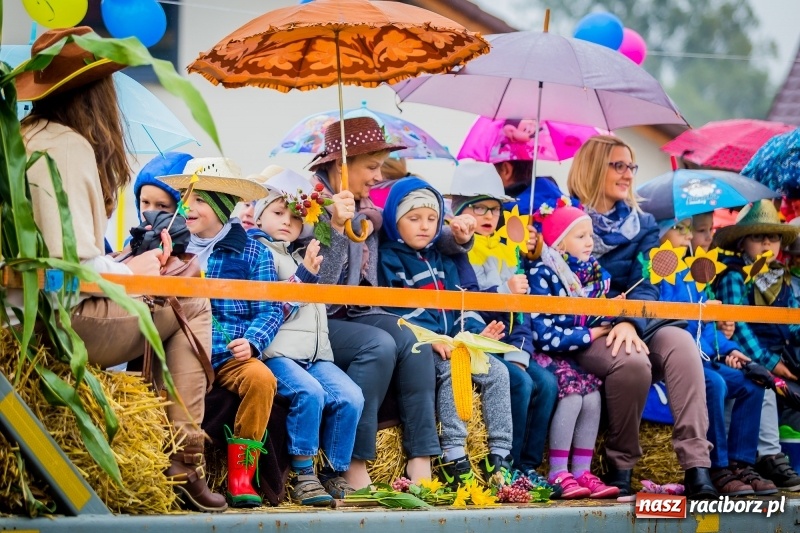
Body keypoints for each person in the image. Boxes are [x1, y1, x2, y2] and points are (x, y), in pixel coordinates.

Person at [16, 27, 226, 512]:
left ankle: (164, 452)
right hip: (61, 320)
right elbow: (76, 267)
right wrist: (137, 267)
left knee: (168, 295)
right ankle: (181, 463)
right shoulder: (67, 145)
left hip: (20, 312)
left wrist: (126, 266)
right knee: (190, 299)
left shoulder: (21, 139)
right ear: (98, 93)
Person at [307, 116, 476, 488]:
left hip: (358, 313)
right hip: (315, 319)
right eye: (371, 166)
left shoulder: (366, 208)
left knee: (414, 337)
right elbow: (318, 285)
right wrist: (334, 227)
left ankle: (421, 460)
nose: (376, 176)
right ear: (341, 164)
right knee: (379, 345)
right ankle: (353, 462)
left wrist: (458, 236)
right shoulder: (311, 207)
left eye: (380, 166)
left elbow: (413, 234)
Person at [566, 135, 716, 499]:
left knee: (682, 345)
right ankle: (621, 465)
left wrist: (630, 321)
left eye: (630, 166)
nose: (628, 174)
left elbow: (647, 282)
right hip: (587, 325)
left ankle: (697, 467)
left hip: (637, 318)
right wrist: (612, 318)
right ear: (593, 168)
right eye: (618, 165)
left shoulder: (645, 223)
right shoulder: (565, 217)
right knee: (633, 364)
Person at [377, 176, 513, 489]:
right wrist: (432, 337)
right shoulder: (389, 259)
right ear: (394, 221)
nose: (424, 226)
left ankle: (499, 455)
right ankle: (453, 453)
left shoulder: (442, 258)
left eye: (432, 219)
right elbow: (395, 311)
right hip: (427, 347)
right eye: (413, 219)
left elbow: (460, 305)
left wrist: (477, 333)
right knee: (456, 372)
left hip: (455, 342)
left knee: (499, 373)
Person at [160, 157, 280, 508]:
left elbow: (271, 307)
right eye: (185, 197)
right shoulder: (170, 245)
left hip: (228, 353)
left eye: (199, 199)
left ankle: (241, 476)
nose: (187, 205)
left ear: (221, 205)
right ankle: (178, 467)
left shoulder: (253, 251)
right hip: (181, 347)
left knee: (261, 379)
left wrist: (254, 341)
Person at [248, 179, 364, 504]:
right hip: (277, 353)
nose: (287, 221)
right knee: (308, 392)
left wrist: (335, 227)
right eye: (277, 212)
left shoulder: (304, 252)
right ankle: (304, 474)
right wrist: (303, 275)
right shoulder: (258, 254)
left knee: (351, 396)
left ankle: (332, 472)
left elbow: (327, 279)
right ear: (258, 219)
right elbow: (270, 310)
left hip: (315, 355)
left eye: (296, 217)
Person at [447, 161, 557, 489]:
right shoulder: (460, 250)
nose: (488, 216)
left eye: (494, 209)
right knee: (519, 385)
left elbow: (521, 313)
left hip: (511, 345)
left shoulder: (510, 252)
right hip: (481, 338)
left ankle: (528, 464)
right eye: (478, 207)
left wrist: (520, 352)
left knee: (547, 384)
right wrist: (503, 292)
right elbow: (470, 298)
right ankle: (503, 461)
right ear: (461, 210)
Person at [656, 218, 773, 495]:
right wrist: (699, 312)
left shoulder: (694, 276)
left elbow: (706, 331)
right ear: (661, 234)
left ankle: (740, 464)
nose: (687, 237)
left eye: (689, 230)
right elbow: (664, 327)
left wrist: (732, 351)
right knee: (714, 384)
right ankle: (716, 467)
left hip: (706, 359)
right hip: (676, 364)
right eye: (680, 229)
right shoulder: (655, 273)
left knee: (751, 382)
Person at [526, 199, 618, 499]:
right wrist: (590, 334)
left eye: (590, 235)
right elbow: (543, 333)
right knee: (573, 394)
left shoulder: (592, 276)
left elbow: (592, 314)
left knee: (592, 396)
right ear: (559, 243)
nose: (590, 242)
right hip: (548, 353)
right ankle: (557, 471)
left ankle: (582, 470)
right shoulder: (543, 274)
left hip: (570, 353)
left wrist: (610, 314)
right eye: (581, 236)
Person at [712, 199, 800, 491]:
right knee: (764, 383)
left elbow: (792, 322)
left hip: (786, 357)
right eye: (758, 236)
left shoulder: (782, 276)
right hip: (750, 355)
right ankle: (769, 457)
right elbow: (739, 326)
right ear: (742, 243)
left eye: (773, 236)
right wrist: (773, 364)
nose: (766, 243)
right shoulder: (735, 275)